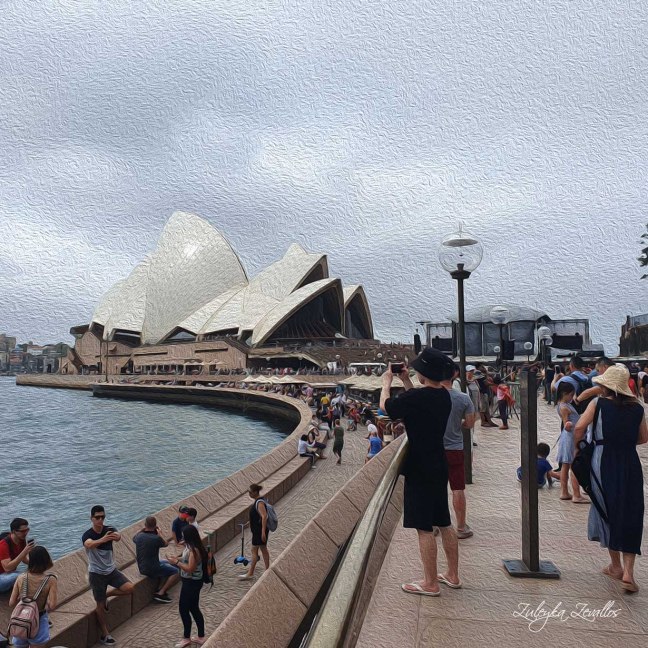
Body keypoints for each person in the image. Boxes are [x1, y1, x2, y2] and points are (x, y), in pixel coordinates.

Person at [381, 348, 459, 597]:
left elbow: (387, 408)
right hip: (438, 462)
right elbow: (418, 397)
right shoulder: (444, 395)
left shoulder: (419, 398)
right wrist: (405, 380)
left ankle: (430, 583)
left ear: (424, 373)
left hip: (420, 468)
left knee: (424, 527)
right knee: (444, 522)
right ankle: (453, 575)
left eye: (416, 370)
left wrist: (387, 383)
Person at [575, 364, 648, 593]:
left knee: (607, 508)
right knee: (630, 510)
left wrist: (580, 448)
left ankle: (615, 566)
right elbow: (644, 438)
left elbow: (579, 428)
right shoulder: (637, 408)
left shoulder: (598, 404)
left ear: (606, 386)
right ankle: (628, 572)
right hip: (629, 462)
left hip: (601, 460)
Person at [82, 506, 134, 645]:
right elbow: (90, 545)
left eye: (102, 517)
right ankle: (105, 634)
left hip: (111, 571)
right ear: (91, 518)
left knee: (130, 588)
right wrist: (104, 539)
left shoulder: (109, 529)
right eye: (97, 517)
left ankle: (107, 595)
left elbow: (117, 537)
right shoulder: (87, 534)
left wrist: (115, 535)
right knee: (99, 605)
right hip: (96, 574)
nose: (100, 520)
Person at [441, 369, 476, 539]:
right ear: (454, 375)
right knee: (457, 488)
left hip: (434, 450)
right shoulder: (463, 398)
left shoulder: (429, 397)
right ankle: (461, 527)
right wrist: (458, 422)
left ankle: (433, 525)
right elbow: (470, 423)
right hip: (454, 448)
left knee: (435, 488)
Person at [8, 546, 57, 648]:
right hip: (39, 620)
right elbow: (52, 606)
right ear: (46, 560)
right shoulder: (51, 580)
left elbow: (11, 603)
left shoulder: (21, 577)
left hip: (21, 622)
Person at [168, 525, 207, 647]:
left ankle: (186, 638)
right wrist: (177, 558)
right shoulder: (191, 547)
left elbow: (190, 568)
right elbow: (188, 559)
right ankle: (201, 636)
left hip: (191, 583)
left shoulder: (194, 550)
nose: (182, 537)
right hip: (191, 582)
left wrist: (177, 562)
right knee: (194, 608)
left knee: (184, 609)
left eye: (184, 535)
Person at [133, 516, 180, 603]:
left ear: (145, 525)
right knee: (176, 571)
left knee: (167, 562)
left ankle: (160, 588)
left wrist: (142, 529)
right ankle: (160, 594)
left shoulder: (139, 536)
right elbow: (166, 544)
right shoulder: (156, 538)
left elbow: (134, 538)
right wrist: (160, 534)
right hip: (152, 568)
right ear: (155, 526)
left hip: (142, 567)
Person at [555, 382, 589, 503]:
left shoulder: (563, 404)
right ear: (565, 394)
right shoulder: (564, 407)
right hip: (571, 437)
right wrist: (573, 424)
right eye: (571, 395)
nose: (572, 397)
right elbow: (566, 424)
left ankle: (564, 492)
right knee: (573, 465)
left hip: (568, 437)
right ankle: (576, 494)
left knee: (565, 465)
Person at [239, 484, 270, 581]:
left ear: (255, 492)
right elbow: (259, 515)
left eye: (250, 492)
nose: (249, 494)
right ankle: (267, 570)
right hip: (258, 530)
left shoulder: (259, 502)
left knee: (254, 551)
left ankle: (251, 573)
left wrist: (263, 532)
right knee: (263, 549)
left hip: (259, 531)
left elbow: (264, 516)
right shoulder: (259, 501)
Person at [0, 518, 33, 593]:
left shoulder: (21, 540)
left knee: (31, 575)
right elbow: (7, 568)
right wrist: (24, 551)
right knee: (24, 577)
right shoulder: (3, 545)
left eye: (27, 530)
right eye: (22, 531)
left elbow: (24, 559)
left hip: (9, 575)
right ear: (14, 531)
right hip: (2, 576)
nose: (25, 533)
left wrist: (36, 563)